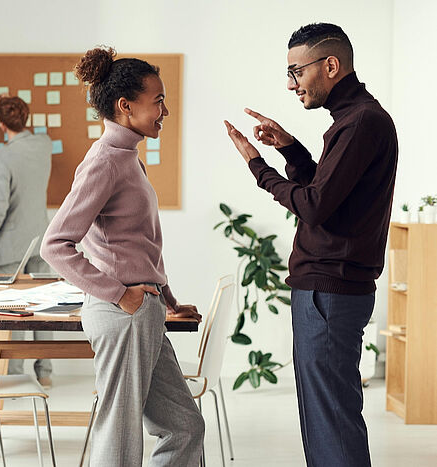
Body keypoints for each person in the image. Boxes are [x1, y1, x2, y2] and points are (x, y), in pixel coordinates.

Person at [224, 23, 398, 466]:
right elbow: (333, 197)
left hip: (330, 290)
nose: (290, 83)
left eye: (296, 71)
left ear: (331, 66)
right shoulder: (354, 120)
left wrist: (257, 166)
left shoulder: (359, 123)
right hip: (332, 289)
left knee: (331, 422)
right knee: (328, 418)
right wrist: (291, 148)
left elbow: (315, 206)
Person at [41, 46, 204, 466]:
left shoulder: (128, 157)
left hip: (144, 312)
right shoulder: (105, 162)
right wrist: (119, 294)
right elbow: (55, 245)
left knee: (185, 425)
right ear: (125, 106)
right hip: (123, 314)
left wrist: (167, 299)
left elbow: (140, 243)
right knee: (120, 432)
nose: (165, 110)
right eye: (158, 101)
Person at [0, 95, 54, 386]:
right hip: (41, 238)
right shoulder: (44, 145)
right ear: (26, 119)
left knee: (13, 309)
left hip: (10, 244)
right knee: (43, 306)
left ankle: (14, 374)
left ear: (1, 125)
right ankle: (45, 372)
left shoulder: (0, 157)